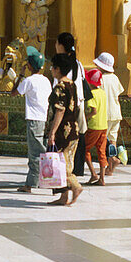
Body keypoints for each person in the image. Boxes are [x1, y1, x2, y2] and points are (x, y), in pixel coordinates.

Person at [45, 51, 83, 206]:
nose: (51, 70)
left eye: (53, 67)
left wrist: (52, 132)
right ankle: (63, 197)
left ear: (58, 69)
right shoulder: (72, 84)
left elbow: (60, 111)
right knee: (66, 162)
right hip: (73, 130)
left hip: (63, 132)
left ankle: (76, 186)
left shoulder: (60, 87)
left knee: (61, 164)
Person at [15, 46, 51, 193]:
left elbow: (14, 92)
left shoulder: (29, 81)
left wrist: (20, 75)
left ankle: (31, 184)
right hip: (44, 119)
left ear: (29, 66)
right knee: (41, 150)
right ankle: (43, 179)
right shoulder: (46, 81)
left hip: (34, 120)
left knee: (35, 153)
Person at [55, 33, 87, 177]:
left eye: (57, 43)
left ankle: (68, 171)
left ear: (61, 45)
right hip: (79, 102)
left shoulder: (62, 63)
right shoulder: (78, 63)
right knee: (78, 135)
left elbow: (59, 86)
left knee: (65, 136)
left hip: (66, 105)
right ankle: (78, 168)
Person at [94, 52, 124, 174]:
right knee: (113, 139)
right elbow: (118, 93)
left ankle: (111, 159)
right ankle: (110, 168)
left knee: (102, 140)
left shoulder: (100, 79)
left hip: (104, 113)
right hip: (116, 112)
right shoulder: (115, 78)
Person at [84, 68, 109, 185]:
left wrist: (84, 116)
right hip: (104, 126)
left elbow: (93, 111)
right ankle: (102, 179)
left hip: (94, 126)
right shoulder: (102, 93)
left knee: (85, 149)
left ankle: (93, 174)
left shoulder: (92, 94)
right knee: (101, 152)